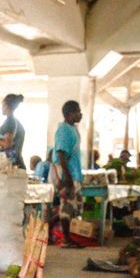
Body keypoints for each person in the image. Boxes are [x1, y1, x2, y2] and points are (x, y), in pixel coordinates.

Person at [51, 100, 84, 248]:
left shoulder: (73, 129)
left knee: (72, 206)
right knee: (67, 206)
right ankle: (66, 239)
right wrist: (67, 177)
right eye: (78, 111)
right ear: (70, 114)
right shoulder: (64, 130)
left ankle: (49, 227)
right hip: (67, 173)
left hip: (74, 172)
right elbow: (61, 153)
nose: (80, 114)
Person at [0, 94, 25, 168]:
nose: (2, 108)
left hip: (11, 165)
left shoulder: (10, 121)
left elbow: (8, 144)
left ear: (7, 106)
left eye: (2, 106)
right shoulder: (11, 121)